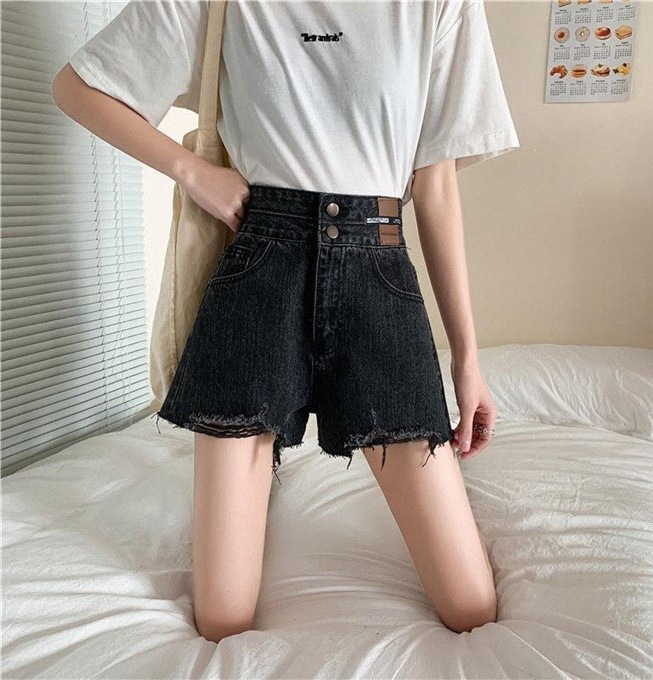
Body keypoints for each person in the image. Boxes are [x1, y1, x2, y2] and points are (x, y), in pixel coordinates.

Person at [52, 0, 520, 643]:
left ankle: (269, 461)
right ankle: (262, 463)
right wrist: (194, 173)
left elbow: (435, 186)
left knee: (470, 606)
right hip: (260, 268)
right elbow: (77, 88)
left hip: (379, 273)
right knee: (222, 618)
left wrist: (468, 359)